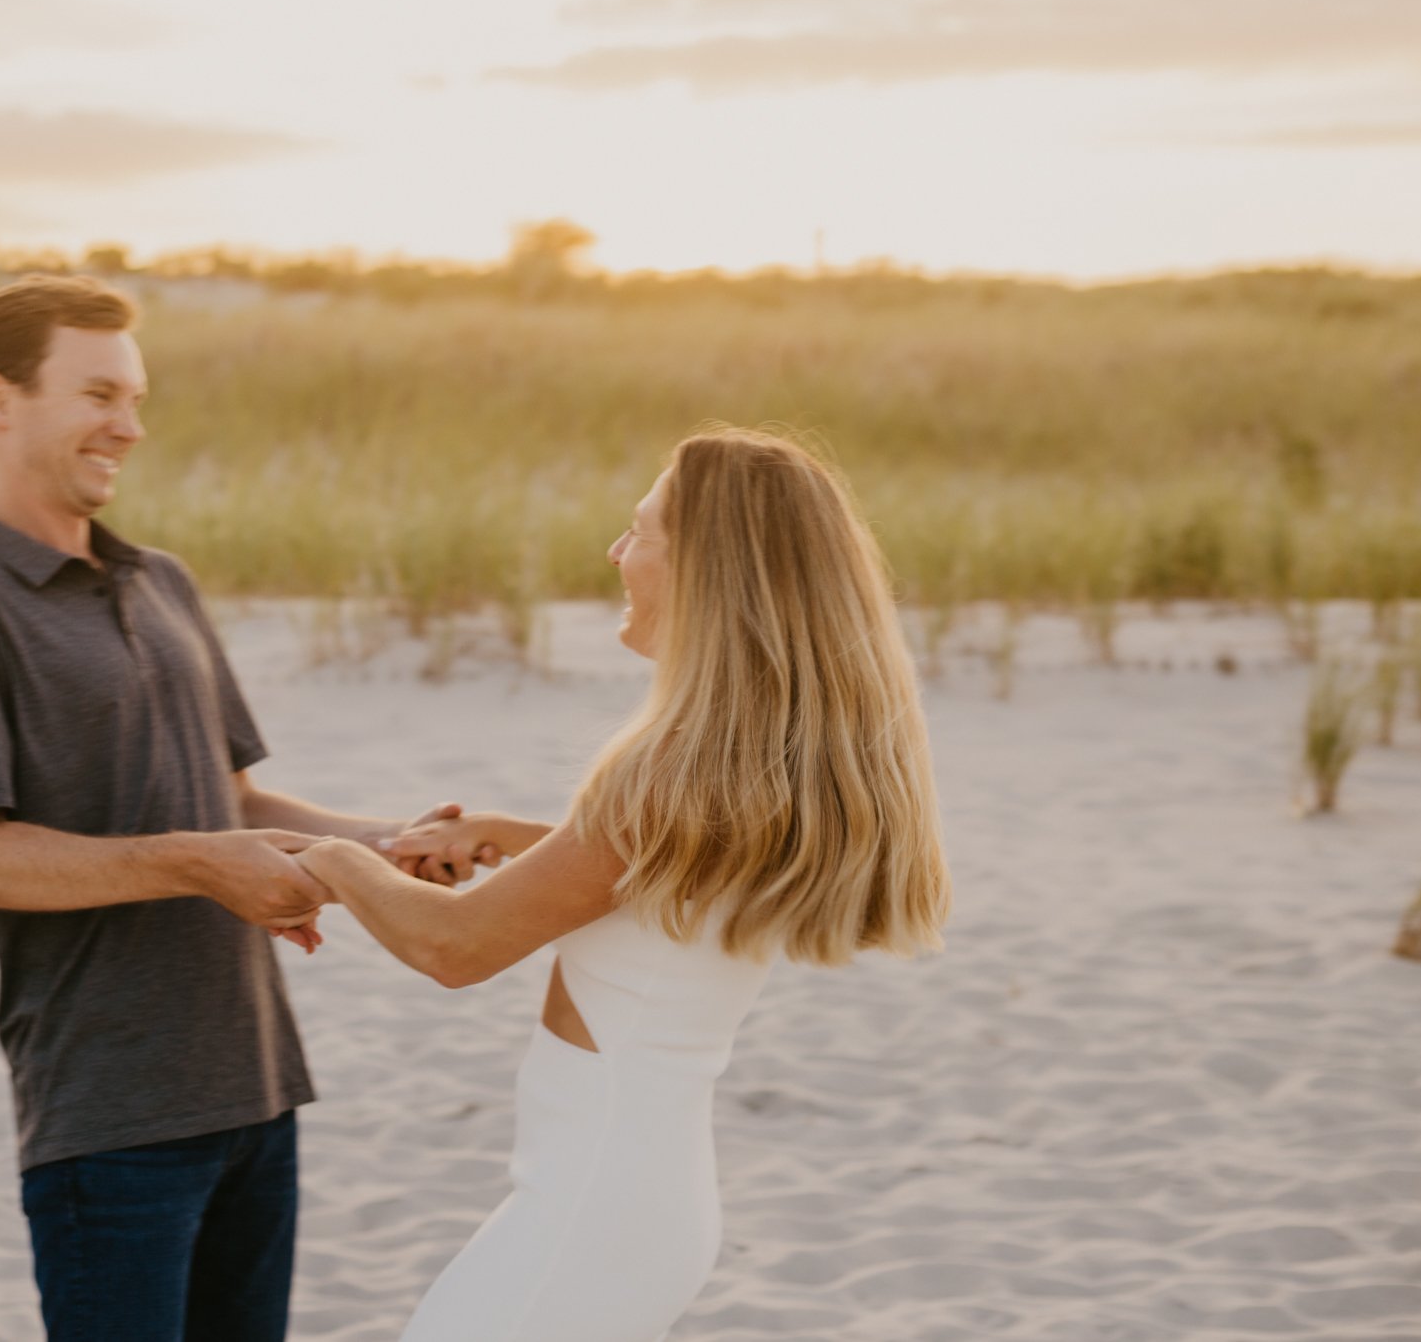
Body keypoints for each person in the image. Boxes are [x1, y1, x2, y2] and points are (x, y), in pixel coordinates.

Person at [0, 274, 468, 1342]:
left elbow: (235, 797)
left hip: (257, 1093)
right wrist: (201, 863)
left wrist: (384, 844)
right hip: (111, 1121)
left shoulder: (162, 582)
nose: (129, 426)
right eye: (99, 393)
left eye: (138, 397)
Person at [292, 425, 953, 1342]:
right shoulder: (741, 761)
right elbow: (652, 883)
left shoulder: (669, 769)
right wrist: (513, 836)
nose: (616, 552)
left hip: (590, 1214)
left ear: (707, 571)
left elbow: (456, 946)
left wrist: (324, 861)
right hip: (634, 1204)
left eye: (639, 531)